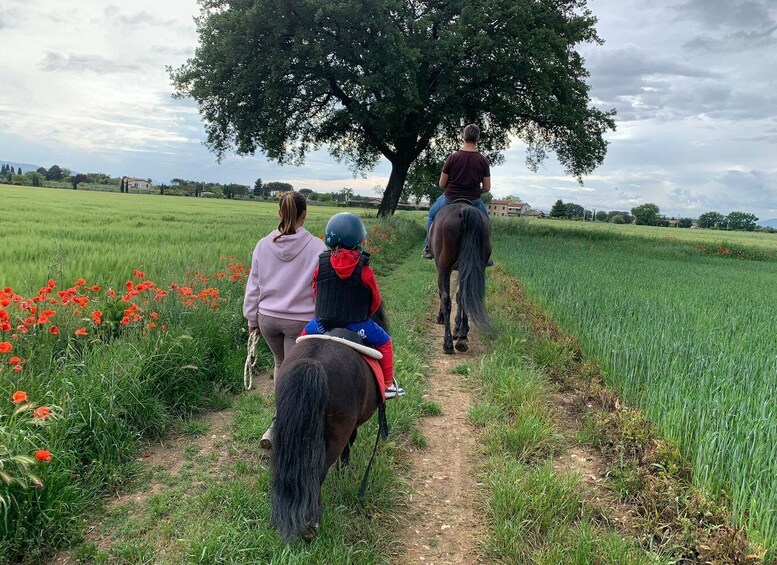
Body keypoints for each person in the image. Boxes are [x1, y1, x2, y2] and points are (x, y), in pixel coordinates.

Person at [243, 191, 326, 448]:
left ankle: (280, 421)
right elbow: (320, 288)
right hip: (299, 322)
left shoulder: (262, 245)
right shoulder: (317, 247)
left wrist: (251, 318)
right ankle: (283, 425)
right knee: (294, 374)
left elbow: (253, 284)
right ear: (304, 214)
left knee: (281, 365)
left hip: (268, 318)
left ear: (280, 212)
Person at [301, 212, 405, 399]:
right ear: (358, 238)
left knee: (302, 339)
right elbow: (374, 301)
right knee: (385, 342)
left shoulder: (321, 265)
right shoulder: (364, 269)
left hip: (323, 323)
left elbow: (316, 292)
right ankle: (388, 385)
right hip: (357, 324)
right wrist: (364, 316)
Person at [422, 123, 491, 259]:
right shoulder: (483, 160)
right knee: (487, 223)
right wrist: (475, 191)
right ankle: (486, 255)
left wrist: (453, 188)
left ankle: (428, 248)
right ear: (478, 138)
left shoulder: (452, 158)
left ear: (463, 137)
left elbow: (442, 183)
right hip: (474, 200)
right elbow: (487, 187)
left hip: (450, 198)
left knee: (431, 216)